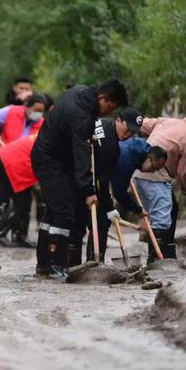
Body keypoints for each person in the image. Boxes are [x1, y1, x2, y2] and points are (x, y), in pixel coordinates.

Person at [31, 79, 129, 278]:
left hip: (52, 155)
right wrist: (88, 190)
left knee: (53, 210)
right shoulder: (82, 115)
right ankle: (55, 265)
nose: (109, 113)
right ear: (102, 98)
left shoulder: (80, 92)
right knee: (64, 212)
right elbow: (82, 154)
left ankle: (43, 265)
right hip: (50, 160)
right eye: (110, 107)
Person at [133, 104, 186, 262]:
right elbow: (185, 174)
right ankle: (158, 259)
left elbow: (142, 124)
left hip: (138, 174)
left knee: (168, 211)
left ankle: (167, 253)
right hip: (157, 177)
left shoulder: (167, 121)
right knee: (162, 219)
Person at [68, 108, 143, 266]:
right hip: (78, 178)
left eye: (133, 132)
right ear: (119, 120)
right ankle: (93, 264)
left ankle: (71, 265)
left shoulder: (104, 123)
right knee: (99, 222)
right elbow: (101, 181)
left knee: (77, 223)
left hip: (74, 172)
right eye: (127, 128)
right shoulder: (110, 148)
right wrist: (109, 207)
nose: (129, 134)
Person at [0, 94, 52, 247]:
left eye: (42, 111)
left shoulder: (43, 124)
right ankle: (1, 236)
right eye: (36, 110)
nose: (38, 114)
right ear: (27, 106)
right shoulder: (11, 112)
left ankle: (19, 235)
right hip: (7, 160)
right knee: (7, 200)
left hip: (22, 162)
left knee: (24, 201)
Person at [110, 139, 168, 219]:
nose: (152, 172)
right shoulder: (127, 163)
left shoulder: (140, 145)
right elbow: (120, 193)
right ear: (149, 158)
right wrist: (137, 210)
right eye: (153, 168)